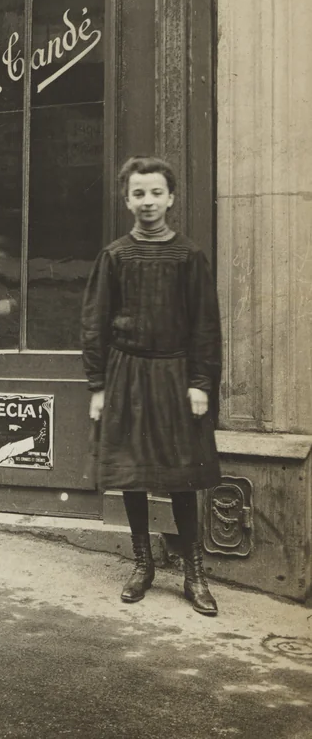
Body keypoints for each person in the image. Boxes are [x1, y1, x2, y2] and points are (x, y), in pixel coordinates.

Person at [81, 156, 222, 615]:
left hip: (175, 375)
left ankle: (193, 573)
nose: (148, 202)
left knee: (183, 474)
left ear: (171, 198)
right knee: (133, 473)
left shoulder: (189, 256)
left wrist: (200, 382)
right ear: (127, 200)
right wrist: (98, 387)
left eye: (156, 193)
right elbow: (94, 323)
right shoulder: (115, 256)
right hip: (126, 374)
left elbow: (205, 325)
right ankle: (143, 564)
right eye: (138, 193)